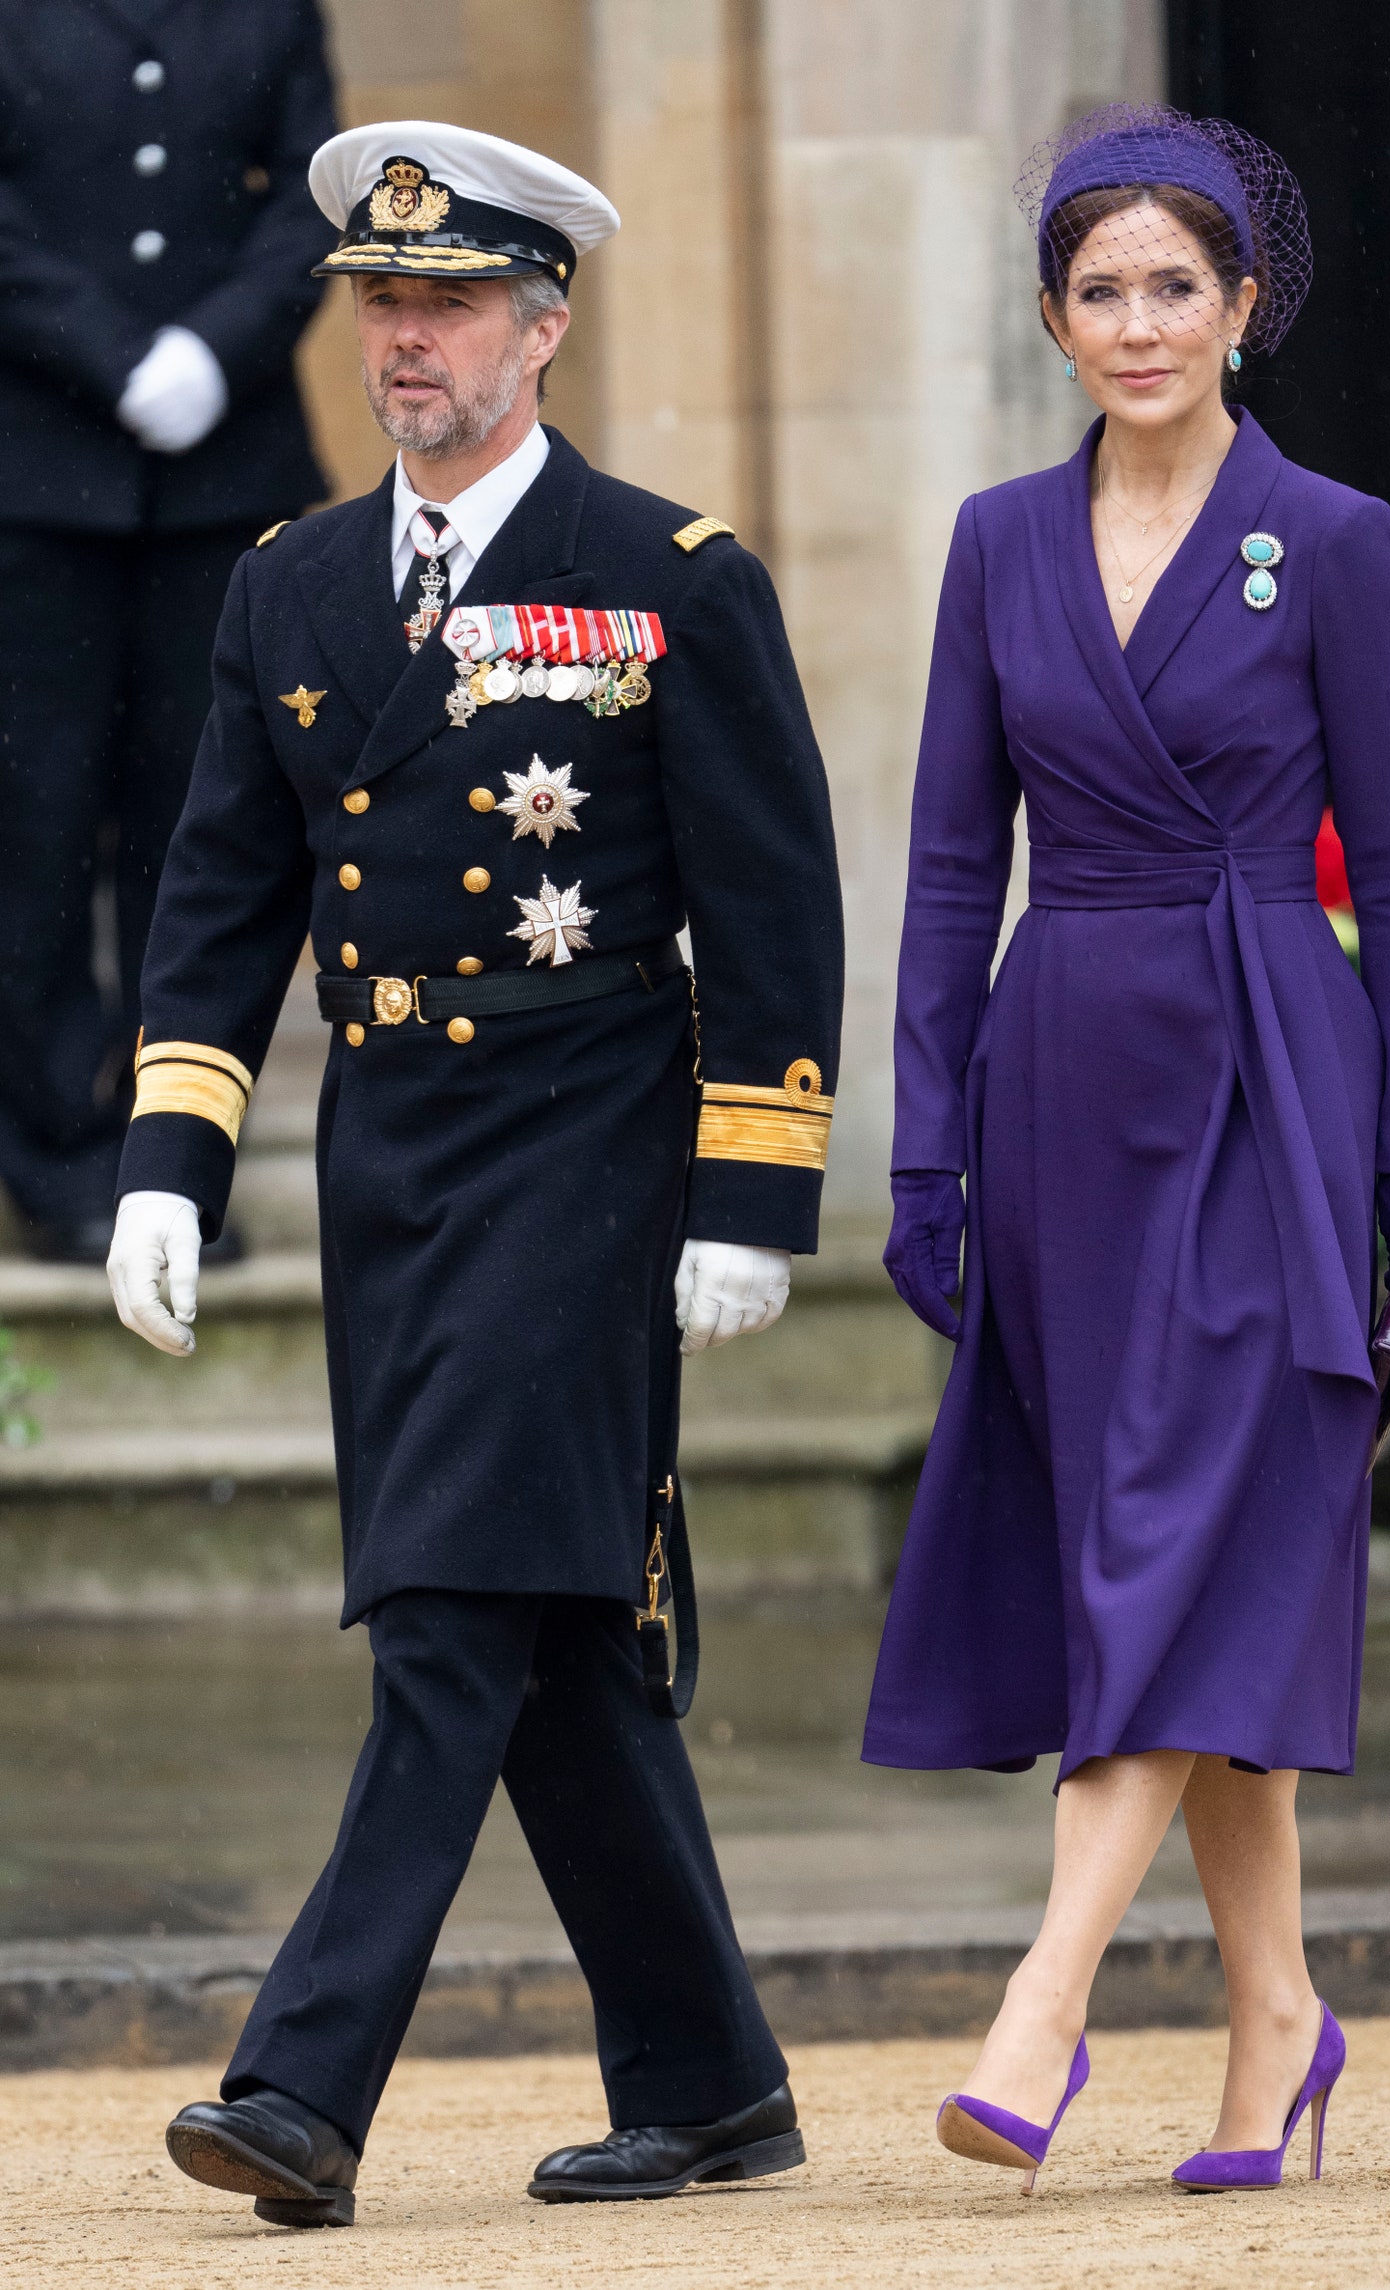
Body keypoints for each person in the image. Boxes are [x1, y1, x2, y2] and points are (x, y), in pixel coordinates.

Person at [105, 121, 843, 2229]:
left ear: (545, 323)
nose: (401, 341)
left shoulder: (670, 572)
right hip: (389, 1165)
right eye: (377, 304)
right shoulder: (289, 582)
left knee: (443, 1606)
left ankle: (302, 2084)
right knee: (553, 1639)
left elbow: (772, 906)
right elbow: (218, 893)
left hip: (588, 1148)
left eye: (442, 305)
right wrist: (170, 1152)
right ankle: (706, 2078)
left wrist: (752, 1190)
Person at [869, 103, 1390, 2193]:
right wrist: (923, 1147)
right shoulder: (991, 544)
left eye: (1172, 287)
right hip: (1058, 1090)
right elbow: (950, 869)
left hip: (1262, 1085)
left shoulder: (1340, 537)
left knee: (1168, 1526)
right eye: (1097, 289)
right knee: (1178, 1544)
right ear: (1053, 315)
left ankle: (1042, 2002)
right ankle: (1276, 2019)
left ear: (1241, 303)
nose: (1136, 323)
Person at [0, 0, 336, 1262]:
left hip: (222, 478)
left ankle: (175, 1156)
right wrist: (111, 352)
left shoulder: (270, 11)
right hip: (33, 478)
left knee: (199, 830)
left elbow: (316, 197)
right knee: (29, 829)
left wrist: (215, 347)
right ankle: (56, 1157)